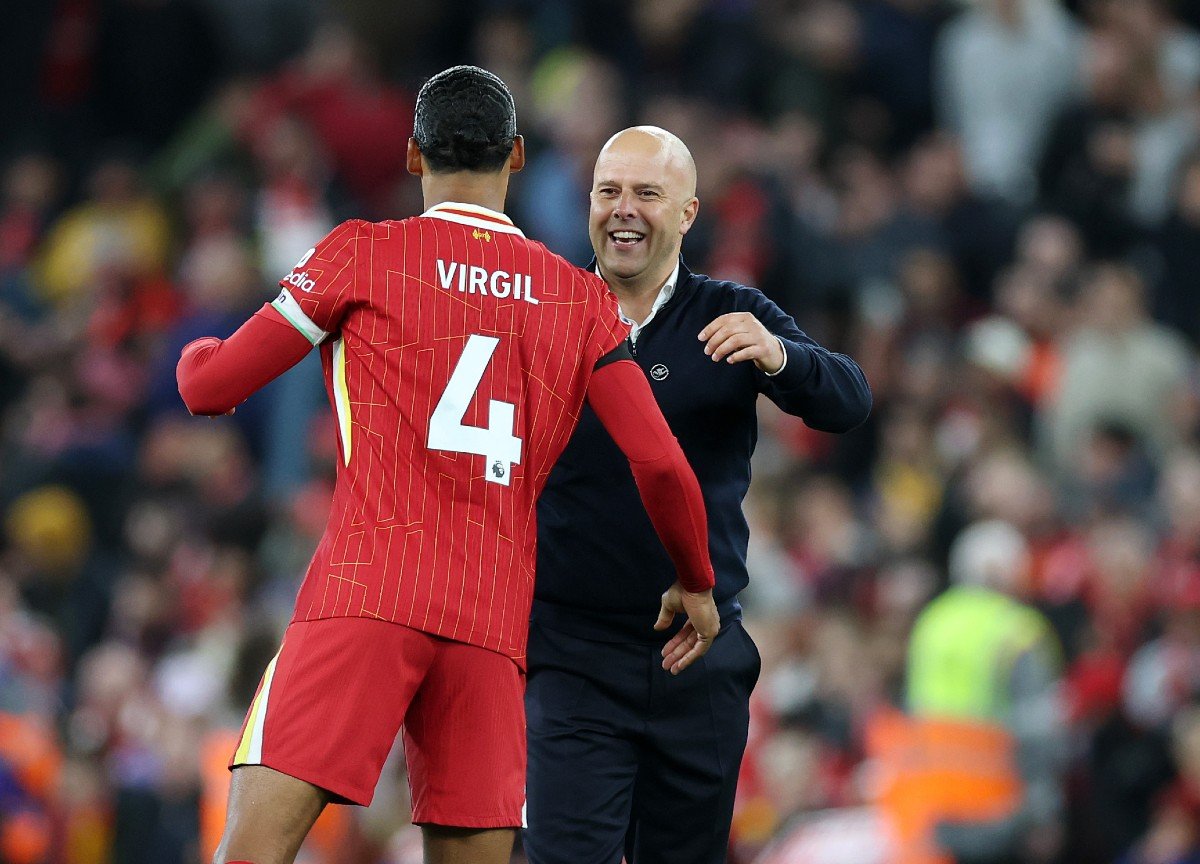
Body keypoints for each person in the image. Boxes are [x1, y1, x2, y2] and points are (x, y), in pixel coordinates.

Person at [175, 69, 721, 864]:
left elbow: (209, 387)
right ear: (519, 157)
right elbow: (662, 465)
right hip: (490, 628)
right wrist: (697, 581)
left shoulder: (361, 254)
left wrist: (195, 347)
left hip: (366, 591)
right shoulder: (579, 301)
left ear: (411, 156)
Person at [523, 126, 872, 864]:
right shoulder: (544, 310)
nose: (624, 209)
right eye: (608, 191)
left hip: (699, 657)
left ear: (686, 213)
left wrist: (784, 357)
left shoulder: (729, 311)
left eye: (647, 193)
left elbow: (848, 401)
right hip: (572, 656)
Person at [868, 519, 1065, 864]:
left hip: (935, 804)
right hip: (998, 807)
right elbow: (1038, 731)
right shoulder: (1018, 630)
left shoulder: (932, 622)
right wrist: (1043, 812)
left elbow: (914, 711)